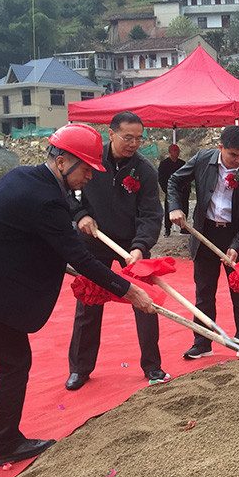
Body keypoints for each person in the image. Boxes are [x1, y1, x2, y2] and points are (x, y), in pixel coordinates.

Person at [0, 123, 154, 466]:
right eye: (86, 169)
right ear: (62, 161)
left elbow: (25, 235)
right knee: (14, 362)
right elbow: (80, 257)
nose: (89, 177)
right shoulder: (47, 199)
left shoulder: (22, 176)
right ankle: (7, 442)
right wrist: (130, 290)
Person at [64, 111, 166, 391]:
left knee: (145, 302)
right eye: (127, 137)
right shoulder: (90, 160)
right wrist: (80, 214)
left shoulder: (144, 170)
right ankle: (80, 368)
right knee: (88, 304)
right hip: (93, 240)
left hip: (130, 245)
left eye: (138, 139)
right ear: (110, 134)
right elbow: (66, 191)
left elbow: (150, 214)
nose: (133, 144)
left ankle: (152, 365)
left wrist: (140, 246)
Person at [168, 125, 239, 358]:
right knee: (204, 292)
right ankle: (202, 342)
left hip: (237, 237)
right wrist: (175, 207)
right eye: (233, 155)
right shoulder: (203, 159)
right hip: (205, 233)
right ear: (220, 147)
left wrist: (236, 245)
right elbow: (174, 181)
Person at [157, 144, 188, 237]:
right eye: (175, 150)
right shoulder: (164, 164)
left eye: (178, 150)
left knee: (184, 208)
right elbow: (161, 178)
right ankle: (167, 229)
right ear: (170, 152)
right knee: (169, 209)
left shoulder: (182, 163)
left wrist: (187, 189)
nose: (177, 152)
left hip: (183, 190)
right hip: (170, 191)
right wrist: (167, 190)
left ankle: (184, 228)